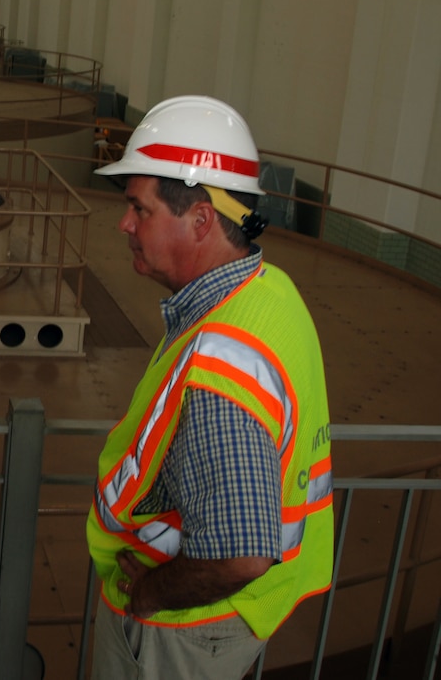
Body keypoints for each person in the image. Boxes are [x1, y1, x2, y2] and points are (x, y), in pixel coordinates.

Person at [85, 95, 334, 680]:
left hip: (181, 634)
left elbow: (240, 554)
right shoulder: (268, 291)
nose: (124, 224)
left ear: (200, 219)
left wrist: (148, 596)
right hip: (231, 624)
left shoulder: (224, 365)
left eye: (139, 210)